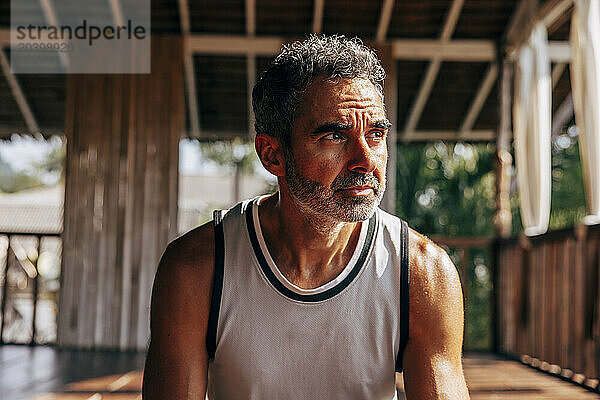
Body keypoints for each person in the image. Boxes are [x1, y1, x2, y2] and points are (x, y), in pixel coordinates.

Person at [142, 34, 469, 400]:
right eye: (333, 136)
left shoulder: (422, 274)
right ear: (272, 155)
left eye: (375, 134)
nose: (365, 160)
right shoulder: (196, 269)